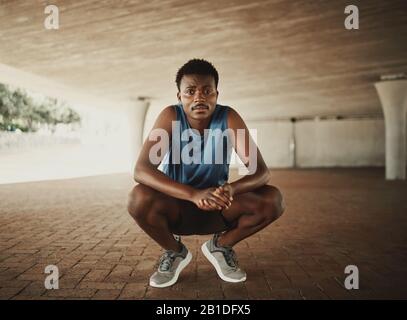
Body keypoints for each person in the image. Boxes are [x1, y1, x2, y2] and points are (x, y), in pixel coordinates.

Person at [127, 58, 285, 288]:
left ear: (216, 95)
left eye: (206, 90)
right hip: (177, 207)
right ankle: (174, 252)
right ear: (179, 97)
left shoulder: (228, 117)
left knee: (273, 199)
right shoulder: (171, 116)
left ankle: (221, 246)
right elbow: (141, 170)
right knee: (137, 197)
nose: (199, 97)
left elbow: (261, 172)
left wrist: (230, 189)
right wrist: (193, 194)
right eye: (190, 91)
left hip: (218, 207)